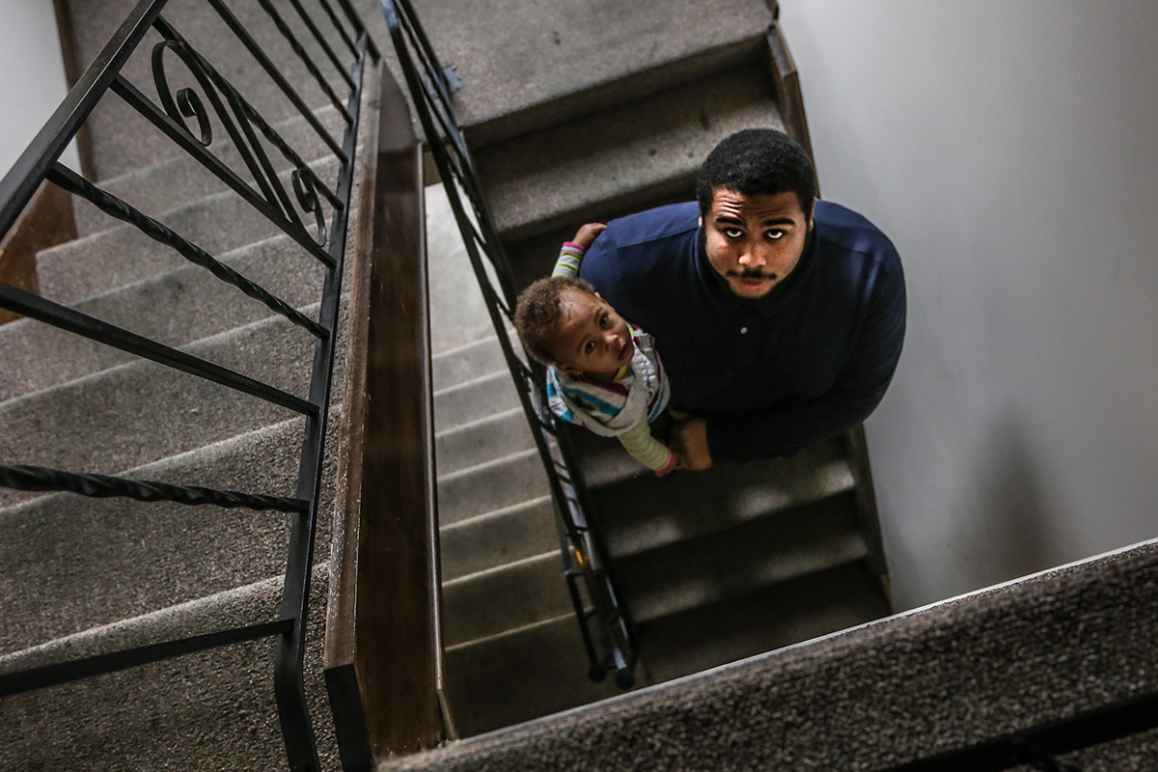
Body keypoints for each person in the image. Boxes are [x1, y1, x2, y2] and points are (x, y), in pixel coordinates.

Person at [578, 128, 907, 470]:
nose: (752, 258)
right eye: (733, 232)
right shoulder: (618, 266)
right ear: (702, 221)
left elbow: (856, 398)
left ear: (809, 221)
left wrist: (725, 443)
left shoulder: (872, 274)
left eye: (776, 233)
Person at [514, 223, 679, 476]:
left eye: (603, 320)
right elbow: (639, 444)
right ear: (571, 367)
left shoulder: (574, 318)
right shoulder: (622, 407)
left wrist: (576, 246)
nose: (611, 338)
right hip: (646, 398)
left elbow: (560, 283)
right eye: (590, 346)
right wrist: (665, 461)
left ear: (602, 300)